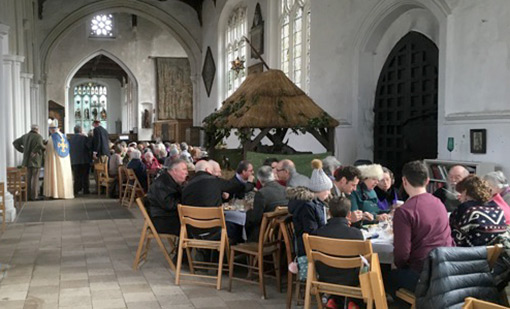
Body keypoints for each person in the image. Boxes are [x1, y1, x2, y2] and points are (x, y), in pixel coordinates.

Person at [391, 160, 454, 295]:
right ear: (427, 181)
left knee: (382, 276)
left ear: (404, 181)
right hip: (445, 270)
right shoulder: (439, 203)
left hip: (422, 275)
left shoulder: (404, 211)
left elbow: (402, 254)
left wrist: (398, 265)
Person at [315, 196, 364, 309]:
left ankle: (334, 300)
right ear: (349, 215)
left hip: (325, 276)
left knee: (337, 270)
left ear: (329, 213)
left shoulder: (320, 232)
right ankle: (354, 302)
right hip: (351, 278)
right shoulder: (356, 234)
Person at [288, 159, 332, 259]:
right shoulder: (307, 206)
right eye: (327, 190)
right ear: (320, 190)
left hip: (313, 245)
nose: (329, 193)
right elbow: (311, 231)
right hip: (307, 250)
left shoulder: (317, 202)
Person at [450, 175, 507, 247]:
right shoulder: (497, 208)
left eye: (460, 193)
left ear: (465, 191)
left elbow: (452, 234)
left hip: (468, 253)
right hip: (493, 254)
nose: (459, 197)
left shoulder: (465, 208)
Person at [245, 166, 288, 242]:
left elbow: (256, 219)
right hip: (283, 234)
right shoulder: (285, 190)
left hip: (265, 236)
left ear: (260, 180)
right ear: (273, 176)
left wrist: (249, 211)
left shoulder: (261, 193)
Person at [146, 159, 188, 236]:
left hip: (167, 216)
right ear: (175, 171)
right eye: (184, 169)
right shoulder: (162, 184)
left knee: (193, 222)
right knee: (192, 225)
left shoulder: (170, 181)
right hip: (162, 220)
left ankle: (185, 247)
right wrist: (186, 202)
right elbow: (169, 205)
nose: (186, 172)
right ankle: (183, 247)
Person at [12, 124, 46, 200]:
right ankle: (34, 196)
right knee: (35, 179)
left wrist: (23, 150)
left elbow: (15, 143)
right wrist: (44, 147)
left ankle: (27, 196)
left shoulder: (25, 136)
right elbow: (40, 145)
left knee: (27, 179)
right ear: (37, 129)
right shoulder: (38, 136)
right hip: (35, 161)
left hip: (26, 161)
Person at [43, 120, 74, 199]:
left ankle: (55, 193)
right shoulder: (63, 136)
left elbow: (49, 151)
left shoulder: (52, 138)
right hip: (64, 161)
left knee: (55, 173)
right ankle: (65, 192)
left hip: (55, 161)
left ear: (52, 130)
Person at [69, 125, 91, 195]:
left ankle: (76, 190)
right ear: (81, 131)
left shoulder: (70, 139)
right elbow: (89, 147)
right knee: (85, 176)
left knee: (76, 176)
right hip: (84, 160)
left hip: (74, 160)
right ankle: (85, 190)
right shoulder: (84, 138)